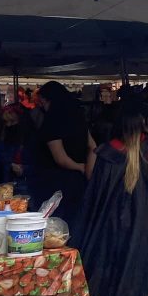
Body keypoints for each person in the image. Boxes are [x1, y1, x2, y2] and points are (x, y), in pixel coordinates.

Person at [75, 103, 148, 296]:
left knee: (119, 276)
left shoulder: (106, 152)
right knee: (140, 277)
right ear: (142, 125)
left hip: (113, 225)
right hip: (145, 224)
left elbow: (95, 191)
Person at [30, 81, 95, 223]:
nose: (41, 106)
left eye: (43, 102)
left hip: (55, 183)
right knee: (76, 222)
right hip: (78, 182)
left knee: (54, 226)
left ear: (49, 100)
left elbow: (60, 158)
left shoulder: (51, 121)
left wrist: (80, 167)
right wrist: (88, 170)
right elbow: (93, 147)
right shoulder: (79, 118)